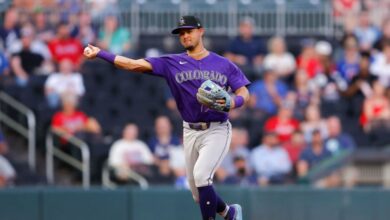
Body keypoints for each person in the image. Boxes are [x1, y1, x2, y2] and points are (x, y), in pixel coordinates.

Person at [84, 15, 249, 220]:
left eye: (189, 31)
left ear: (201, 31)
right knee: (199, 195)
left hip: (217, 128)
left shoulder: (223, 64)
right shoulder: (171, 62)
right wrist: (101, 53)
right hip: (190, 130)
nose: (185, 36)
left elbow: (243, 91)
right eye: (181, 33)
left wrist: (234, 103)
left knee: (201, 177)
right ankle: (229, 212)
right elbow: (132, 64)